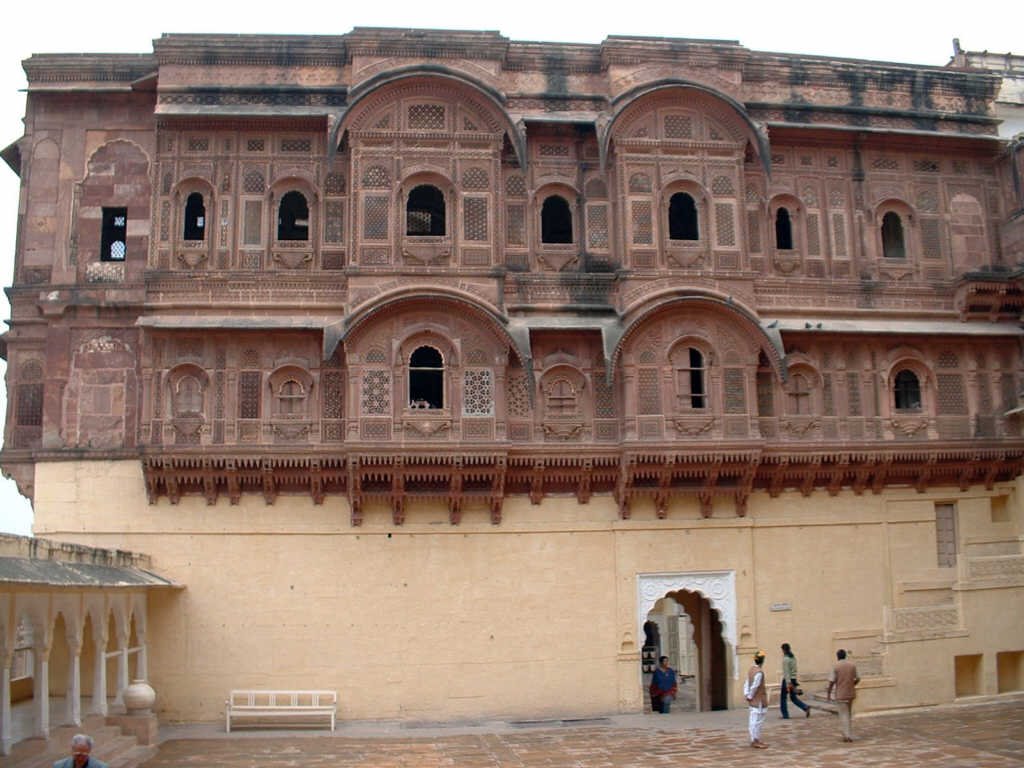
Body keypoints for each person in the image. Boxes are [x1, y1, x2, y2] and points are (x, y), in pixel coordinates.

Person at [826, 648, 860, 742]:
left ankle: (847, 735)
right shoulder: (852, 665)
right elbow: (858, 678)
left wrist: (829, 693)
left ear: (837, 657)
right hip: (850, 693)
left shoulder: (835, 666)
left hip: (840, 693)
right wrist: (852, 684)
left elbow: (831, 681)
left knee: (843, 715)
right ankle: (848, 733)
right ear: (845, 655)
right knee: (848, 714)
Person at [743, 649, 769, 748]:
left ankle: (755, 738)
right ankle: (755, 739)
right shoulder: (759, 672)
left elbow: (746, 683)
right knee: (757, 720)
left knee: (754, 720)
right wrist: (750, 695)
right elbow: (755, 686)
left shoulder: (751, 670)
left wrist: (746, 694)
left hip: (753, 699)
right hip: (758, 700)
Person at [779, 642, 811, 719]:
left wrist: (788, 683)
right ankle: (805, 707)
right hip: (793, 679)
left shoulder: (786, 659)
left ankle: (785, 714)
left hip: (788, 680)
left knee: (783, 698)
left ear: (783, 650)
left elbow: (786, 672)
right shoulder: (792, 657)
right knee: (793, 698)